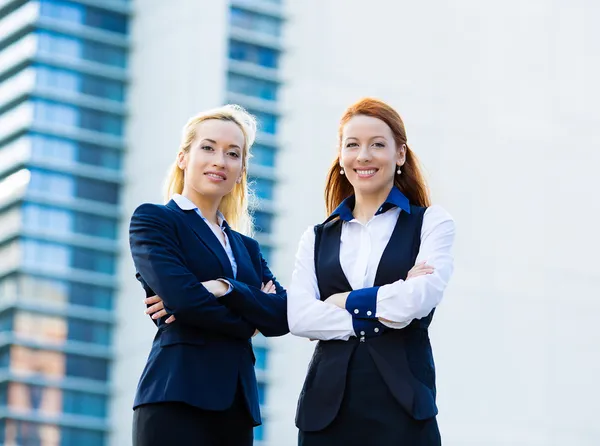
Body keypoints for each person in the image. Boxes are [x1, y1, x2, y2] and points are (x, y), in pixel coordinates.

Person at [288, 98, 455, 445]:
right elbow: (300, 318)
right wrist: (381, 310)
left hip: (404, 410)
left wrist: (340, 301)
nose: (363, 156)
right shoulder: (316, 237)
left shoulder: (431, 223)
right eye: (352, 145)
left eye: (377, 144)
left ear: (400, 155)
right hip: (326, 415)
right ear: (341, 156)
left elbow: (417, 300)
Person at [129, 104, 288, 446]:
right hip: (175, 398)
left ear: (242, 170)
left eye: (233, 154)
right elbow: (185, 301)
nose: (220, 160)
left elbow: (282, 315)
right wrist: (250, 317)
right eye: (208, 147)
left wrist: (222, 287)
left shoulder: (247, 247)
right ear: (184, 157)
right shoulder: (155, 221)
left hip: (236, 407)